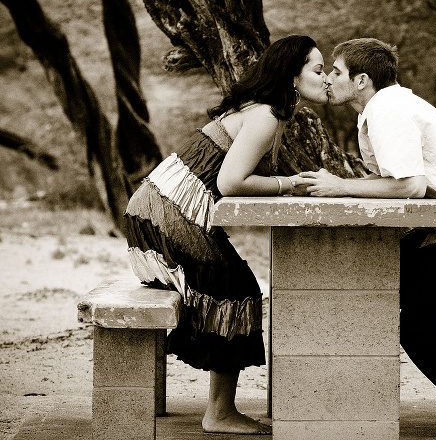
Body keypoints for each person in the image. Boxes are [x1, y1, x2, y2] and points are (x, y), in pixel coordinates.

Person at [299, 38, 436, 439]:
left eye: (336, 72)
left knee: (418, 326)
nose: (330, 80)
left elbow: (408, 186)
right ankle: (336, 400)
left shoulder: (389, 110)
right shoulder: (382, 107)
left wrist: (339, 187)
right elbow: (395, 181)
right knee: (369, 287)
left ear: (362, 79)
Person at [123, 35, 329, 435]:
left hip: (154, 209)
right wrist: (289, 185)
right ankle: (219, 413)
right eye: (318, 70)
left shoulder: (267, 112)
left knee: (237, 283)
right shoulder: (267, 114)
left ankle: (221, 408)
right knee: (234, 286)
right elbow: (232, 181)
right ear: (292, 75)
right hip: (163, 214)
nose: (324, 80)